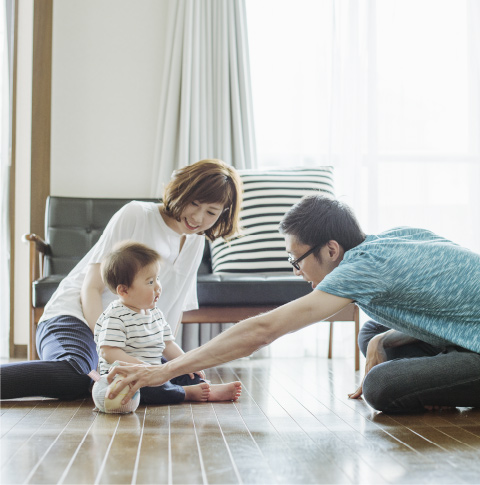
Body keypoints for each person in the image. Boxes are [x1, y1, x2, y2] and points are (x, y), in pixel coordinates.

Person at [107, 194, 480, 414]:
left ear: (331, 249)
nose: (298, 271)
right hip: (467, 325)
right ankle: (443, 369)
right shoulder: (393, 238)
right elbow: (448, 302)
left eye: (296, 259)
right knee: (372, 335)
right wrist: (385, 341)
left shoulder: (359, 269)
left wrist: (162, 372)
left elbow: (264, 330)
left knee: (381, 387)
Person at [1, 159, 243, 401]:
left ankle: (112, 382)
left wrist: (176, 364)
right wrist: (106, 346)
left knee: (186, 377)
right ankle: (93, 377)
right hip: (76, 318)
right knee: (77, 372)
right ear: (181, 191)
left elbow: (172, 309)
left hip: (125, 338)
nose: (198, 217)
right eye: (194, 203)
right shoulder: (136, 214)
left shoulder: (195, 242)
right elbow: (92, 287)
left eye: (211, 212)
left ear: (223, 214)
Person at [93, 240, 241, 406]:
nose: (157, 287)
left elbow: (168, 345)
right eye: (150, 282)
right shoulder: (115, 316)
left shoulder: (155, 313)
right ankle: (185, 393)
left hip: (155, 369)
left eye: (157, 279)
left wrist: (187, 363)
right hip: (126, 378)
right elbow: (109, 352)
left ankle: (205, 387)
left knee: (187, 371)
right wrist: (142, 367)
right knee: (149, 388)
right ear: (124, 290)